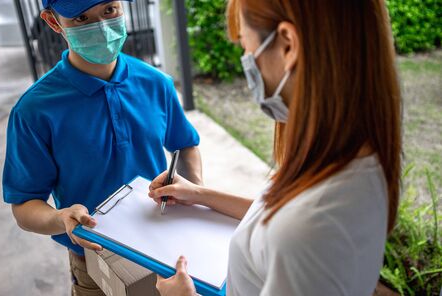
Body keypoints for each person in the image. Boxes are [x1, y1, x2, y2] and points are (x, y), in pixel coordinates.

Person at [148, 0, 402, 295]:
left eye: (245, 44)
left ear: (287, 45)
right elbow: (273, 217)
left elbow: (292, 228)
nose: (246, 58)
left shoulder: (310, 228)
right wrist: (199, 195)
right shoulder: (345, 150)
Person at [2, 1, 202, 295]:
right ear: (54, 22)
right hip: (96, 263)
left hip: (165, 249)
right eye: (82, 17)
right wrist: (60, 218)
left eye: (109, 10)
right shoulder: (34, 111)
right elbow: (24, 206)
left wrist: (195, 191)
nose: (102, 27)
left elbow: (185, 145)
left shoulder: (156, 83)